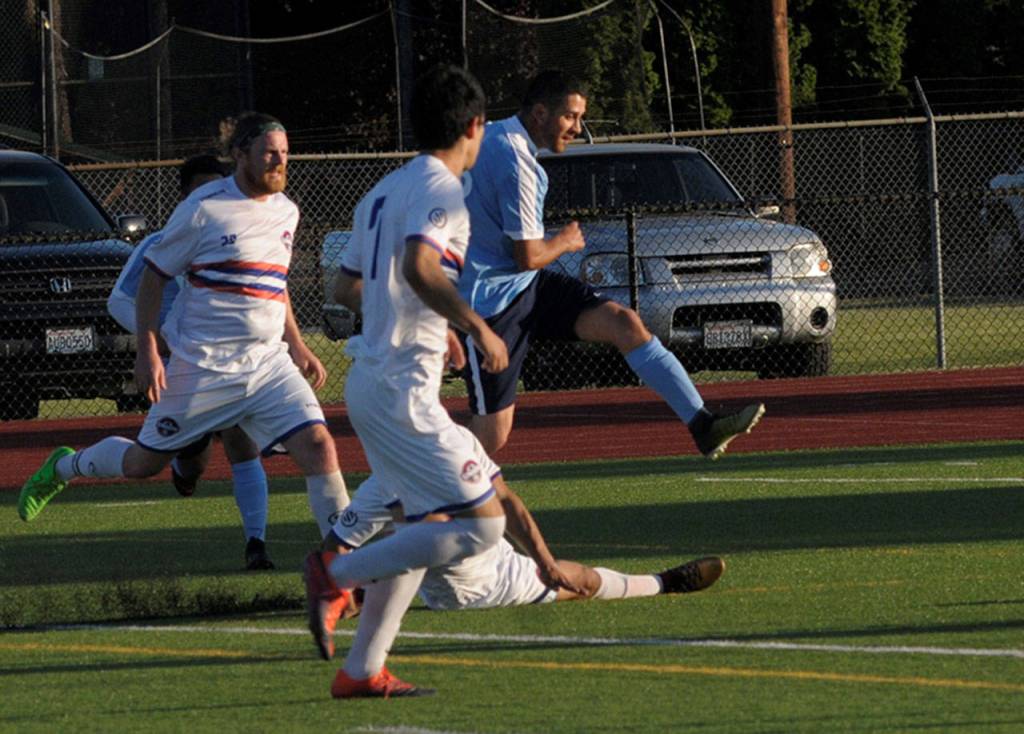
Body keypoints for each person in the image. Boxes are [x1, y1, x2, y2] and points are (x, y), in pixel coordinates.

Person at [302, 64, 581, 700]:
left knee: (415, 529)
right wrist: (476, 327)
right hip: (403, 391)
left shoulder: (381, 191)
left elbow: (346, 286)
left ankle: (362, 669)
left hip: (375, 384)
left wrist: (427, 315)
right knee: (482, 524)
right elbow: (420, 264)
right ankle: (335, 570)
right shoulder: (444, 190)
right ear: (476, 126)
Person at [18, 112, 350, 554]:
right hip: (203, 367)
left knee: (320, 446)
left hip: (268, 366)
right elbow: (153, 278)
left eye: (285, 153)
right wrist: (148, 351)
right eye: (270, 152)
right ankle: (66, 466)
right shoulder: (203, 209)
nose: (280, 161)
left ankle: (344, 565)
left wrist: (297, 343)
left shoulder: (287, 210)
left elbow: (275, 283)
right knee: (142, 464)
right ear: (240, 154)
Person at [458, 70, 765, 459]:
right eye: (570, 116)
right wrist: (566, 241)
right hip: (489, 306)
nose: (577, 128)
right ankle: (403, 473)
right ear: (539, 113)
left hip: (523, 287)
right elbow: (529, 255)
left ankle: (702, 424)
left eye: (580, 117)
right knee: (492, 435)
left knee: (624, 322)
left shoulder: (494, 135)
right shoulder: (519, 164)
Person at [106, 153, 276, 571]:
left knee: (242, 442)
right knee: (170, 464)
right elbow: (119, 301)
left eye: (217, 187)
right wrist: (160, 342)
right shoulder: (160, 242)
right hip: (185, 368)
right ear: (184, 197)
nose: (210, 197)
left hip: (233, 364)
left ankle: (257, 545)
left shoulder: (245, 237)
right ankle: (185, 462)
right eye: (200, 189)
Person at [332, 471, 725, 612]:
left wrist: (546, 562)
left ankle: (665, 582)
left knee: (583, 580)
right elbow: (334, 547)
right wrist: (336, 590)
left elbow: (508, 502)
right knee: (584, 585)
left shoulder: (455, 442)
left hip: (499, 555)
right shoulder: (379, 487)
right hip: (475, 591)